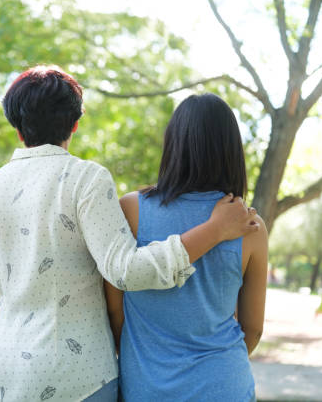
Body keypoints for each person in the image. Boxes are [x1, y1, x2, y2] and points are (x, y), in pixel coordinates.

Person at [0, 68, 258, 402]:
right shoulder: (85, 179)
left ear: (18, 129)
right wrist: (215, 230)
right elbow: (126, 272)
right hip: (77, 378)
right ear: (74, 124)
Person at [105, 94, 268, 402]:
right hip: (225, 386)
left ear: (173, 145)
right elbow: (253, 329)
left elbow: (115, 311)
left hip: (148, 388)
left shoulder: (131, 210)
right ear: (232, 150)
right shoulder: (251, 226)